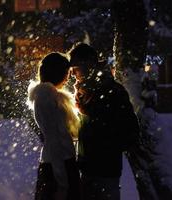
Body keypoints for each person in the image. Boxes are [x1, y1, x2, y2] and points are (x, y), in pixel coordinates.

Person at [69, 43, 140, 200]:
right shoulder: (83, 93)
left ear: (89, 64)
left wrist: (107, 144)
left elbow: (130, 130)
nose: (73, 73)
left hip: (106, 169)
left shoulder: (112, 90)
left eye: (75, 67)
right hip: (87, 167)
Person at [27, 52, 81, 200]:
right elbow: (54, 141)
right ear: (58, 72)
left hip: (57, 165)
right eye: (67, 73)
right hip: (58, 166)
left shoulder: (49, 95)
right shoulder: (47, 97)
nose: (68, 77)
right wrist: (62, 183)